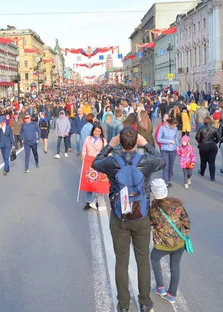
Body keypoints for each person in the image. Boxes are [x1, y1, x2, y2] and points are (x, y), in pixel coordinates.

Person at [92, 128, 166, 312]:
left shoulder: (111, 162)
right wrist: (146, 144)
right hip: (141, 215)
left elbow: (95, 163)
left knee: (121, 261)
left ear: (120, 141)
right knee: (142, 260)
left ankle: (123, 305)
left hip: (119, 217)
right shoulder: (146, 161)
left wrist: (110, 144)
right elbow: (162, 160)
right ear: (136, 141)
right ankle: (144, 302)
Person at [148, 179, 190, 305]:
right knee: (175, 265)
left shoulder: (153, 210)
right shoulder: (177, 204)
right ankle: (172, 294)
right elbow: (186, 221)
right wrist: (184, 234)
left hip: (162, 245)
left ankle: (160, 287)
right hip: (179, 243)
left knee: (154, 258)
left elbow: (149, 224)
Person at [81, 124, 107, 211]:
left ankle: (96, 201)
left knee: (98, 183)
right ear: (93, 131)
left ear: (101, 132)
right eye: (95, 131)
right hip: (89, 162)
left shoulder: (103, 140)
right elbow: (84, 149)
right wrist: (84, 157)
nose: (97, 132)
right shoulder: (88, 139)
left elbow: (107, 151)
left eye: (99, 131)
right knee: (89, 182)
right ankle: (88, 202)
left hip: (99, 163)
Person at [195, 117, 220, 182]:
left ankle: (202, 172)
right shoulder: (214, 129)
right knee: (212, 162)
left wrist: (200, 142)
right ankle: (212, 177)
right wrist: (214, 142)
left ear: (204, 121)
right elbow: (218, 138)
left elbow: (197, 137)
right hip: (213, 145)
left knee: (203, 160)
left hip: (203, 146)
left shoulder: (201, 128)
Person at [157, 117, 179, 188]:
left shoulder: (175, 129)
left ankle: (169, 180)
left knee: (171, 166)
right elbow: (159, 139)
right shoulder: (162, 128)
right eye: (173, 125)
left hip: (173, 149)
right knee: (166, 166)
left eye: (175, 125)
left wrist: (178, 146)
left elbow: (176, 138)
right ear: (170, 124)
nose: (174, 127)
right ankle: (165, 182)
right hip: (165, 149)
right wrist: (168, 141)